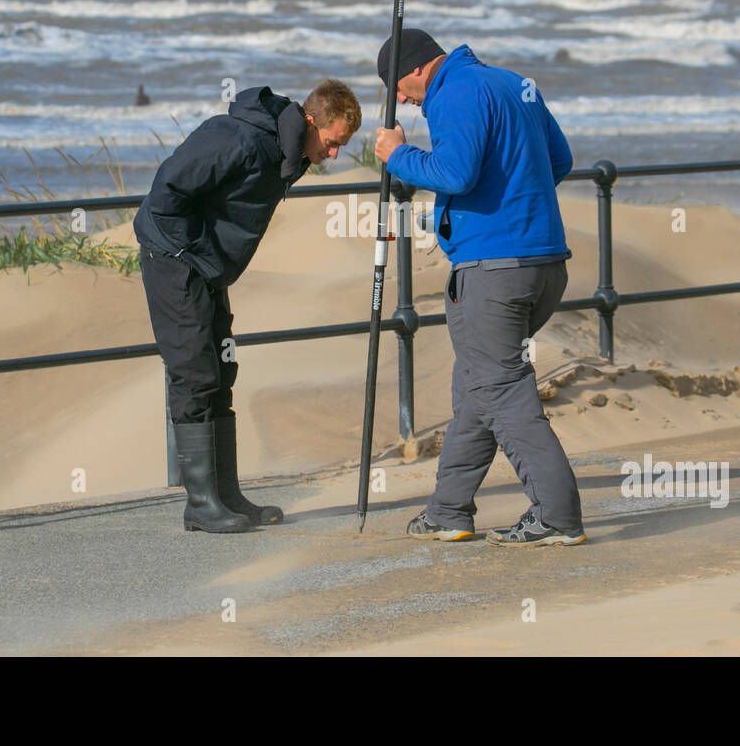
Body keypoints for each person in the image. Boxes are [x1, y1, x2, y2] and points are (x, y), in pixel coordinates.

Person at [373, 29, 586, 546]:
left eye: (396, 86)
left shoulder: (455, 93)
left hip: (493, 270)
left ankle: (558, 517)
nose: (400, 99)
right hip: (544, 262)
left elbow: (454, 171)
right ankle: (449, 510)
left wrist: (397, 153)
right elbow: (559, 162)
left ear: (420, 67)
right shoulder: (515, 83)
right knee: (477, 388)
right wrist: (508, 200)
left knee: (500, 390)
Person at [134, 80, 361, 532]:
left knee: (222, 372)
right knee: (194, 373)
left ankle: (227, 495)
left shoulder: (290, 151)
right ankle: (200, 504)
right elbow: (166, 192)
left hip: (208, 270)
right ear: (312, 121)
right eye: (333, 143)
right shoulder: (236, 138)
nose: (333, 155)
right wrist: (187, 255)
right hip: (176, 263)